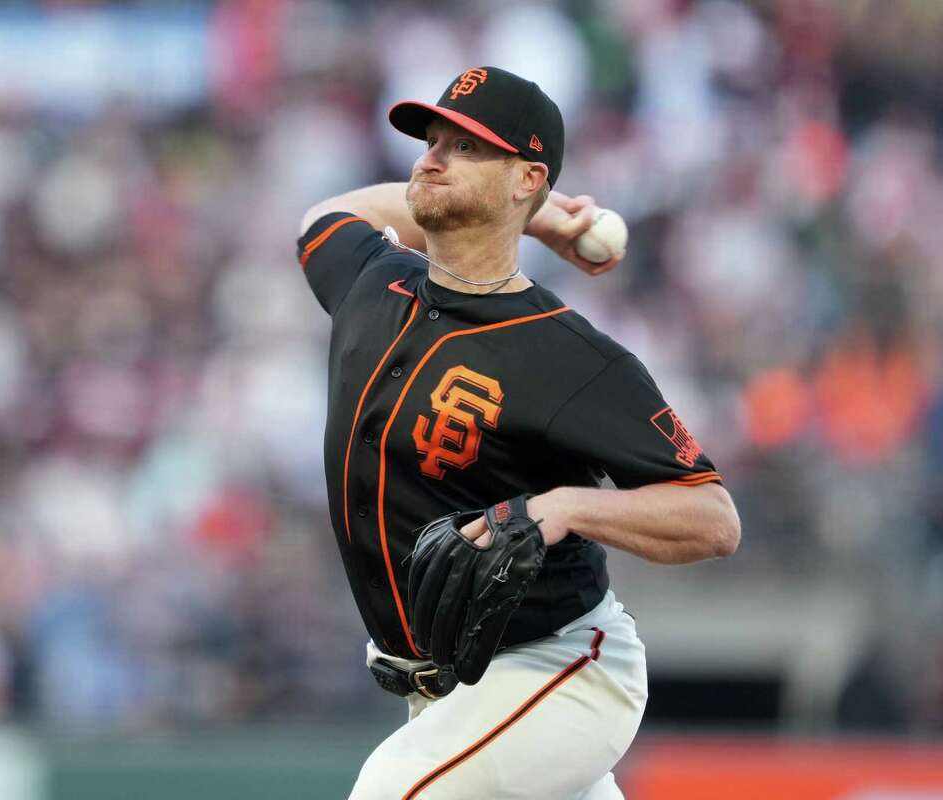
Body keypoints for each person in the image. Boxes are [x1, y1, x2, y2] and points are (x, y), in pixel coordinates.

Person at [296, 66, 741, 800]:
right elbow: (324, 216)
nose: (431, 156)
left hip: (559, 671)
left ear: (525, 174)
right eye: (431, 139)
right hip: (452, 697)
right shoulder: (372, 282)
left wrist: (563, 507)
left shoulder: (567, 355)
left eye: (465, 147)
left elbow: (712, 517)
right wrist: (534, 219)